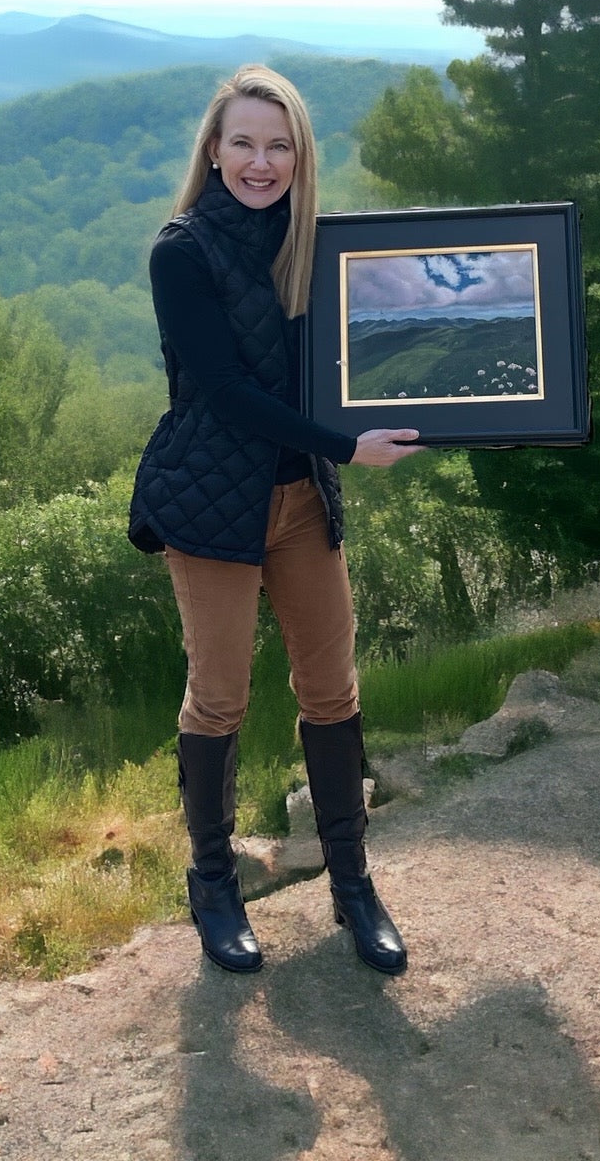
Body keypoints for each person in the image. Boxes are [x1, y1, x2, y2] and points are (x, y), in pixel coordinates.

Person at [129, 65, 422, 976]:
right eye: (244, 143)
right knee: (219, 698)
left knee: (331, 690)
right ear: (213, 152)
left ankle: (351, 883)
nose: (261, 162)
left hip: (300, 504)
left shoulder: (316, 246)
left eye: (279, 144)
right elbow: (223, 392)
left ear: (300, 156)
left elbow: (361, 350)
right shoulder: (181, 252)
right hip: (213, 504)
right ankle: (214, 886)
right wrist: (344, 444)